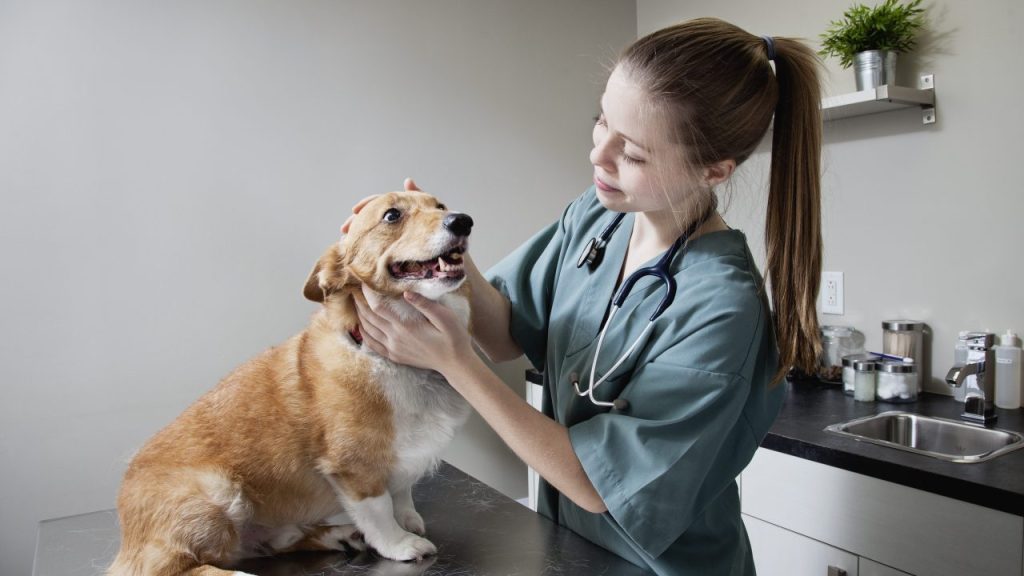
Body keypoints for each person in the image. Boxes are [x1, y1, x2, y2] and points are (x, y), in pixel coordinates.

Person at [348, 17, 823, 576]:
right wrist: (444, 246)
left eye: (635, 154)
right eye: (602, 122)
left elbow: (600, 485)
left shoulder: (723, 309)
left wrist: (452, 363)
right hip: (571, 550)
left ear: (714, 170)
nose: (600, 155)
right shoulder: (600, 216)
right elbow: (504, 336)